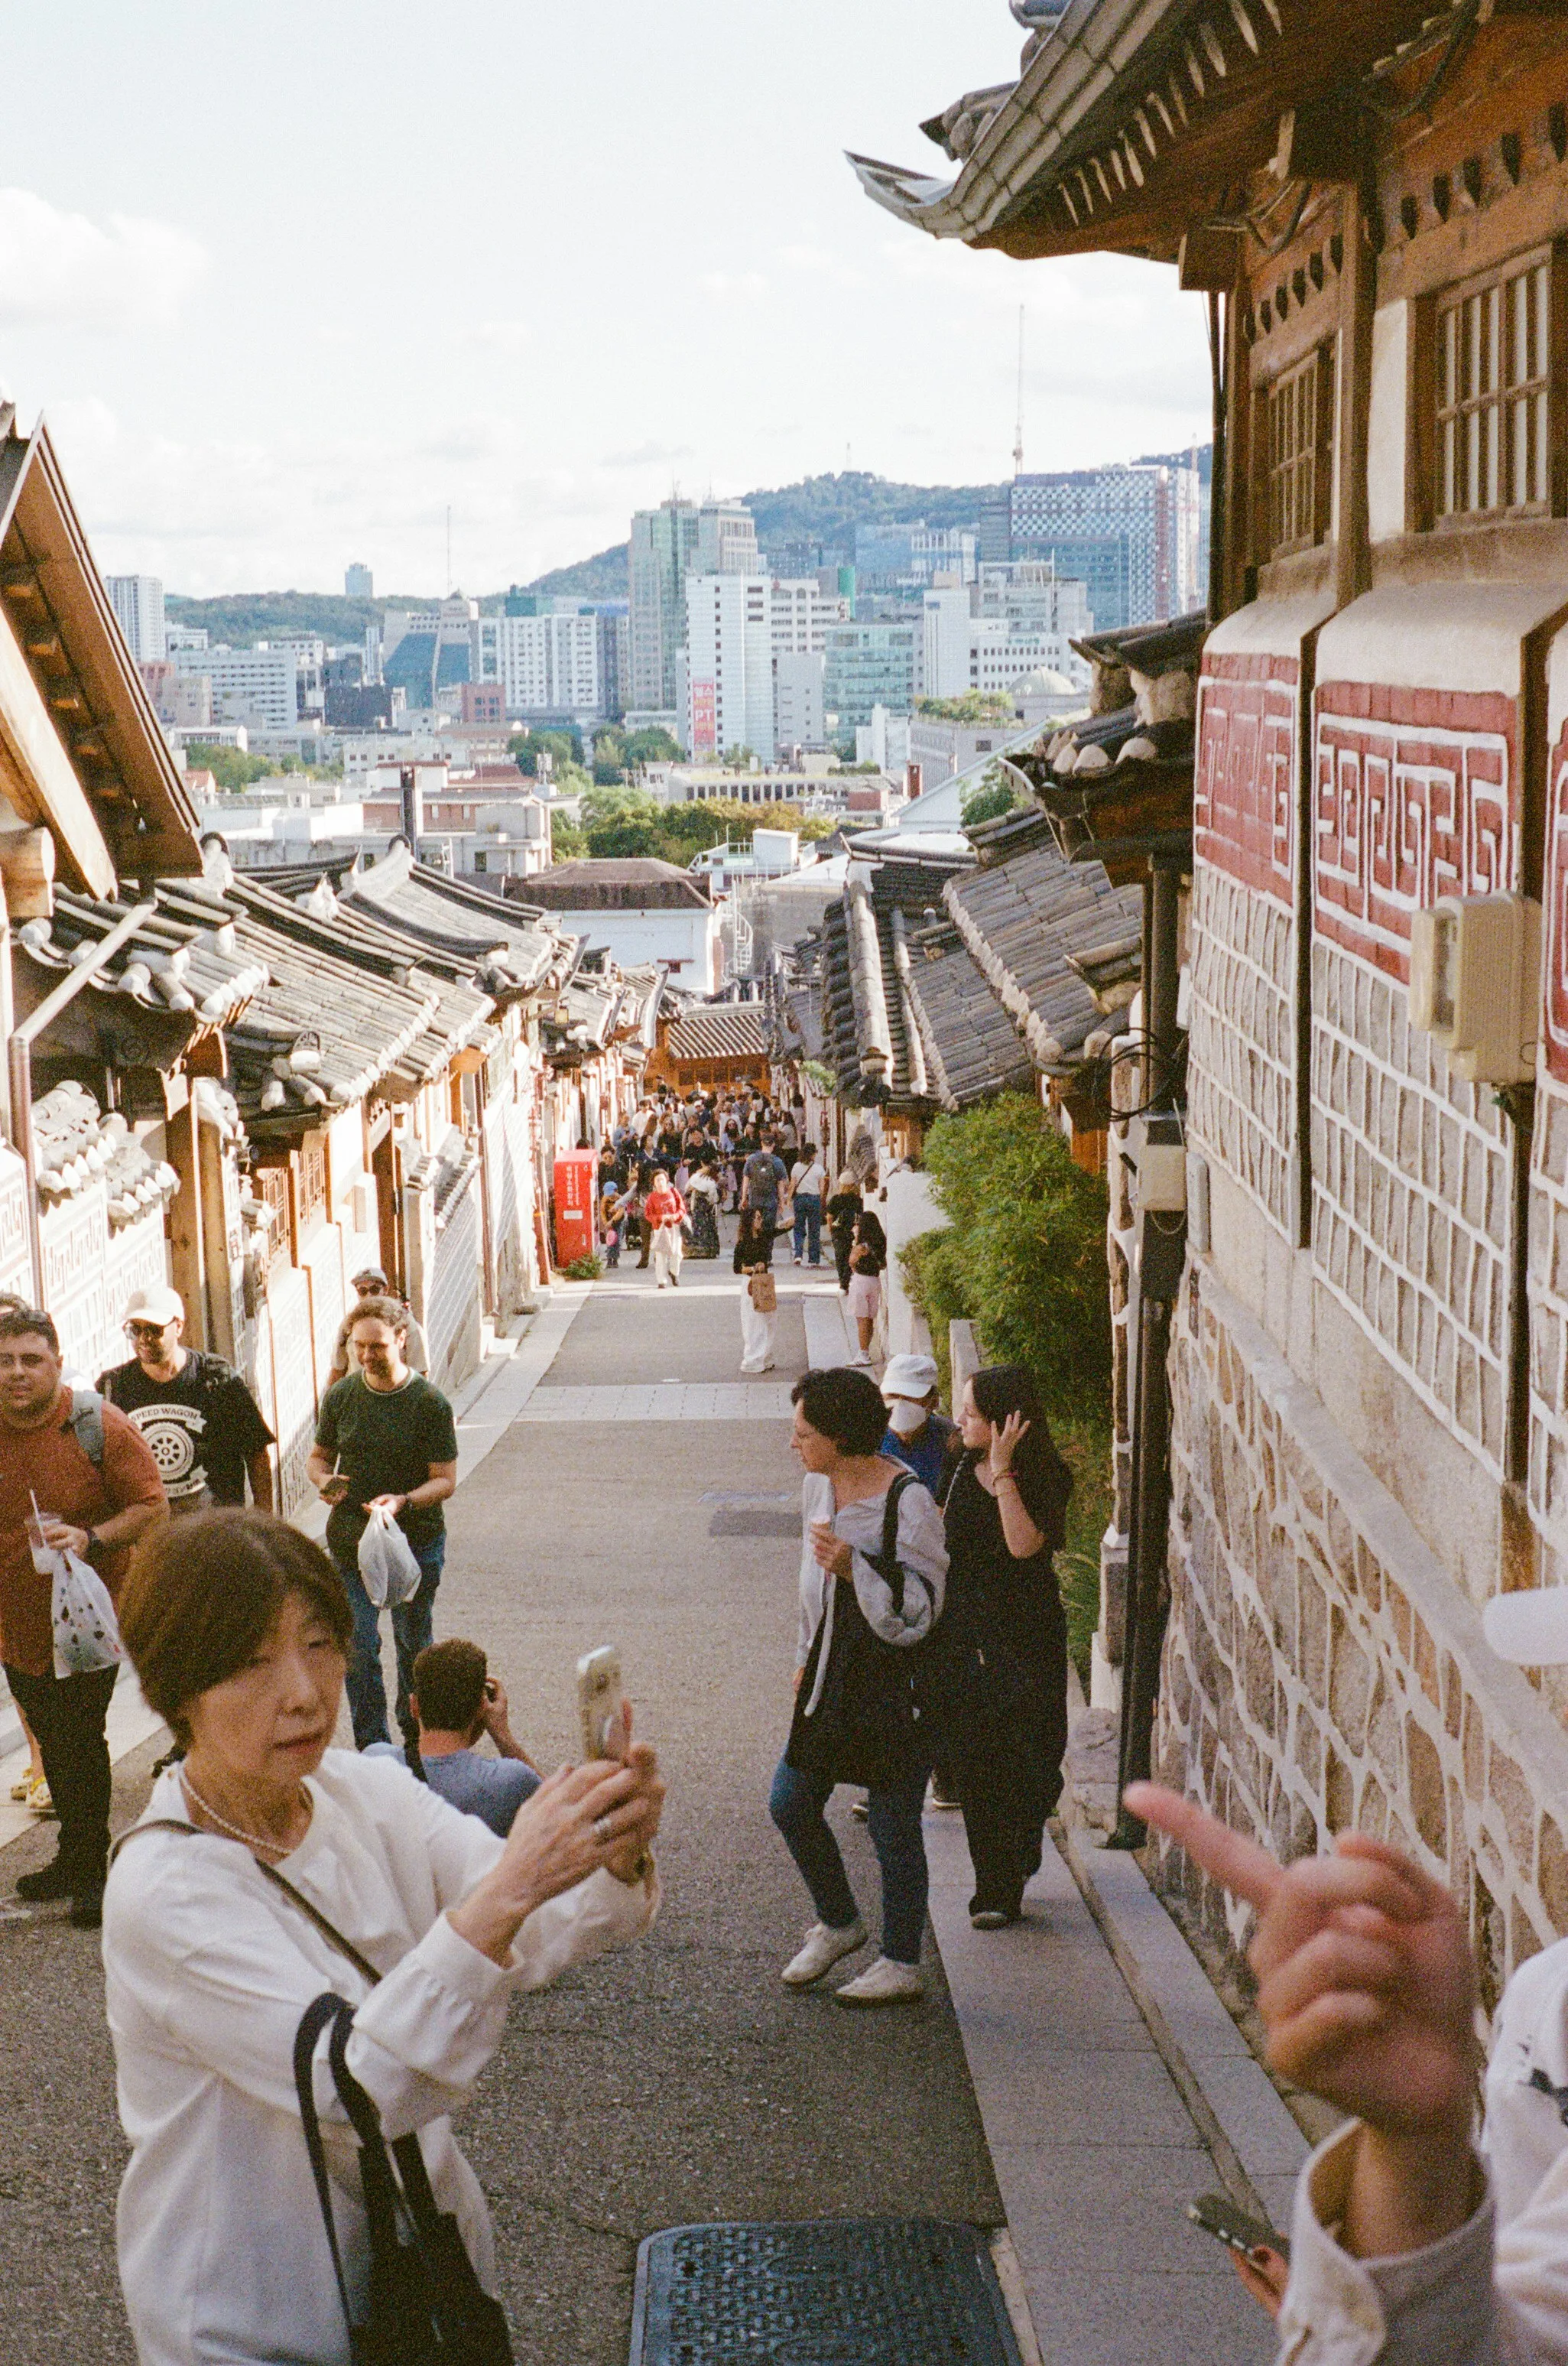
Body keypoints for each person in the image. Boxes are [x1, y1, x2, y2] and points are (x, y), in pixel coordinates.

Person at [105, 1508, 664, 2366]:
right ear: (176, 1685)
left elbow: (533, 1922)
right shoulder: (166, 1889)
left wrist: (607, 1850)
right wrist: (516, 1880)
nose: (302, 1689)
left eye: (321, 1642)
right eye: (253, 1660)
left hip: (420, 2267)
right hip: (247, 2309)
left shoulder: (365, 1788)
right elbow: (357, 2086)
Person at [770, 1367, 947, 2007]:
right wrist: (802, 1656)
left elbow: (924, 1605)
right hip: (829, 1671)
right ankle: (840, 1922)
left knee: (894, 1823)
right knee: (789, 1802)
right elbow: (808, 1590)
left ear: (840, 1437)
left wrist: (855, 1568)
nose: (794, 1444)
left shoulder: (908, 1499)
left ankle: (901, 1961)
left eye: (804, 1433)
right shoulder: (818, 1490)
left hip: (893, 1684)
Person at [0, 1307, 167, 1926]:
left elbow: (152, 1508)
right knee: (52, 1738)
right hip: (14, 1625)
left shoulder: (98, 1425)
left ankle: (91, 1867)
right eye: (5, 1360)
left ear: (56, 1362)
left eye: (31, 1360)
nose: (17, 1373)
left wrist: (90, 1537)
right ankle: (74, 1857)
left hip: (86, 1623)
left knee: (78, 1738)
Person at [938, 1365, 1073, 1928]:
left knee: (1038, 1760)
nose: (961, 1419)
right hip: (966, 1634)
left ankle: (1025, 1834)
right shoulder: (953, 1465)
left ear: (1004, 1422)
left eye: (971, 1412)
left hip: (1029, 1632)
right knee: (978, 1764)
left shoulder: (1046, 1476)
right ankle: (994, 1889)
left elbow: (1022, 1547)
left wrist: (1001, 1475)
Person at [307, 1298, 458, 1752]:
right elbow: (318, 1458)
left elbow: (445, 1480)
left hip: (415, 1542)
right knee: (358, 1645)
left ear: (401, 1339)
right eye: (359, 1347)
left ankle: (415, 1738)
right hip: (353, 1542)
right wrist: (323, 1480)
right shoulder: (342, 1396)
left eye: (377, 1346)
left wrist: (404, 1501)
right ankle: (373, 1743)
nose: (368, 1356)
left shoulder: (429, 1403)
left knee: (413, 1645)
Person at [99, 1285, 275, 1516]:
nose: (144, 1339)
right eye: (135, 1330)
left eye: (154, 1329)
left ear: (178, 1327)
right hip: (151, 1534)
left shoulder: (216, 1379)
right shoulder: (114, 1387)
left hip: (215, 1528)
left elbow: (256, 1454)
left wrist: (264, 1524)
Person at [366, 1636, 541, 1838]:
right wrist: (502, 1735)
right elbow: (566, 1811)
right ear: (482, 1708)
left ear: (414, 1706)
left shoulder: (376, 1761)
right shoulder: (509, 1781)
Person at [325, 1267, 429, 1389]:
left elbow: (421, 1372)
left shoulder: (405, 1323)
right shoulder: (349, 1324)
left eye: (374, 1290)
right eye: (363, 1291)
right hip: (359, 1399)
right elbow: (337, 1370)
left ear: (385, 1290)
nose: (369, 1295)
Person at [879, 1354, 957, 1496]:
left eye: (910, 1397)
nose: (900, 1403)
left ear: (934, 1402)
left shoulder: (951, 1440)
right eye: (893, 1396)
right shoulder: (869, 1438)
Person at [735, 1207, 778, 1374]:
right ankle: (752, 1359)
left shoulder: (763, 1238)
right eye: (757, 1218)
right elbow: (737, 1268)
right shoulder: (743, 1243)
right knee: (754, 1322)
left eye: (761, 1217)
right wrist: (753, 1267)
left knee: (770, 1318)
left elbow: (777, 1230)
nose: (760, 1220)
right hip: (751, 1282)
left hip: (764, 1280)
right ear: (750, 1221)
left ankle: (765, 1356)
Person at [846, 1209, 888, 1366]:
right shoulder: (880, 1242)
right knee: (870, 1319)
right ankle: (866, 1351)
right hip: (874, 1281)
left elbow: (851, 1262)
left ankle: (863, 1354)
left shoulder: (861, 1247)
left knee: (861, 1320)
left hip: (861, 1281)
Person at [740, 1131, 790, 1253]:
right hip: (770, 1200)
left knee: (755, 1226)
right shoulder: (777, 1161)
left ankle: (755, 1253)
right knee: (768, 1228)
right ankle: (767, 1256)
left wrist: (743, 1197)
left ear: (761, 1143)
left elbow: (746, 1179)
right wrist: (782, 1202)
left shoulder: (751, 1159)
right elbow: (781, 1183)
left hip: (754, 1198)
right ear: (773, 1145)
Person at [643, 1168, 687, 1289]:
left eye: (662, 1180)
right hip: (660, 1228)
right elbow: (648, 1215)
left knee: (677, 1253)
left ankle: (674, 1272)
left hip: (674, 1227)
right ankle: (661, 1281)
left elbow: (682, 1209)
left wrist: (676, 1216)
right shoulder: (652, 1197)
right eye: (658, 1180)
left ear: (667, 1180)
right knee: (661, 1255)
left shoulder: (674, 1192)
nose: (660, 1183)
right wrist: (660, 1218)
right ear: (654, 1183)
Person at [790, 1144, 827, 1269]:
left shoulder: (796, 1167)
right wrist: (820, 1200)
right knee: (814, 1229)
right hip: (814, 1198)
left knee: (799, 1227)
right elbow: (822, 1188)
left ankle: (798, 1255)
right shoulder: (819, 1169)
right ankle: (814, 1258)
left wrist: (789, 1199)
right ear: (813, 1155)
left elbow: (792, 1185)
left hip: (800, 1198)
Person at [826, 1169, 863, 1295]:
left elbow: (830, 1217)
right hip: (852, 1232)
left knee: (840, 1257)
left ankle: (843, 1283)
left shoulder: (836, 1199)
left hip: (838, 1232)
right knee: (849, 1256)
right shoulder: (858, 1200)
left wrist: (830, 1229)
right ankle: (845, 1282)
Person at [686, 1155, 722, 1259]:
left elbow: (686, 1188)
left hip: (694, 1204)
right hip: (706, 1207)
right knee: (707, 1226)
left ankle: (692, 1250)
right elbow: (713, 1199)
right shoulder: (711, 1183)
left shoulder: (695, 1177)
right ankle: (707, 1250)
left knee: (694, 1224)